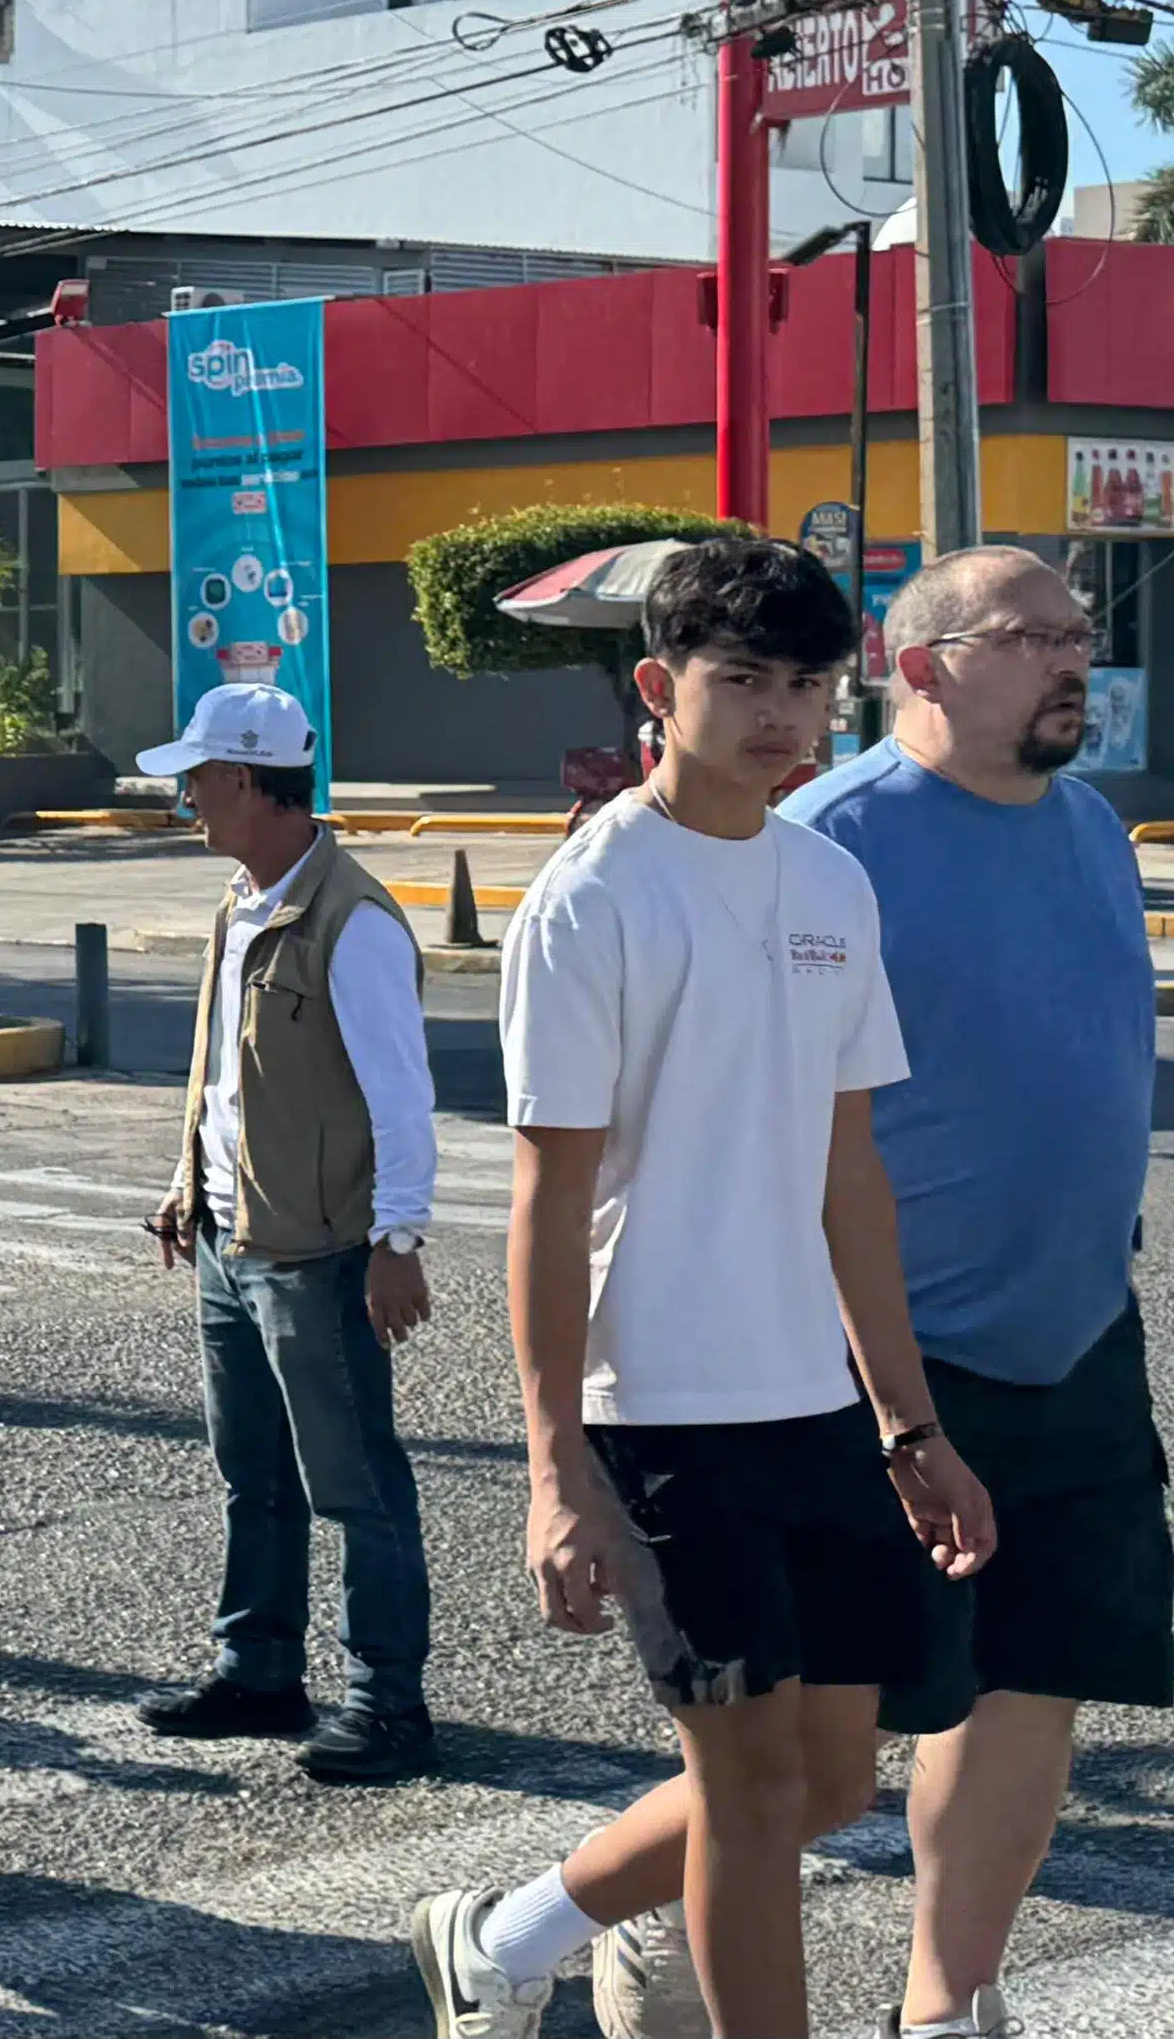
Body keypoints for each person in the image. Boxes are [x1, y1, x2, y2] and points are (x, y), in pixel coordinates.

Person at [545, 545, 1169, 2039]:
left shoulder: (1088, 828)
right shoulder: (820, 839)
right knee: (811, 1768)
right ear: (927, 666)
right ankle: (529, 1928)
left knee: (1035, 1684)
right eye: (1034, 636)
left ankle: (948, 2011)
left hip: (1074, 1332)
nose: (1075, 658)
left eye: (1082, 633)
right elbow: (687, 1157)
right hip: (865, 1356)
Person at [412, 536, 996, 2039]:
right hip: (662, 1404)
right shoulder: (593, 899)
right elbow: (545, 1199)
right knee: (746, 1796)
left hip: (815, 1401)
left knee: (827, 1782)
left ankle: (506, 1935)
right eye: (744, 681)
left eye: (808, 684)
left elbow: (848, 1177)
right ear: (662, 688)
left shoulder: (828, 880)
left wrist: (911, 1428)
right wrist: (555, 1471)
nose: (782, 715)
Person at [116, 684, 443, 1790]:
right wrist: (183, 1180)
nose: (186, 800)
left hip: (315, 1249)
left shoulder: (350, 923)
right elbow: (220, 1073)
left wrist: (396, 1239)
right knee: (249, 1469)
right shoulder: (239, 900)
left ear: (252, 784)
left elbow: (401, 1098)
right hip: (227, 1233)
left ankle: (385, 1699)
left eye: (200, 781)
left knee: (352, 1482)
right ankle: (256, 1669)